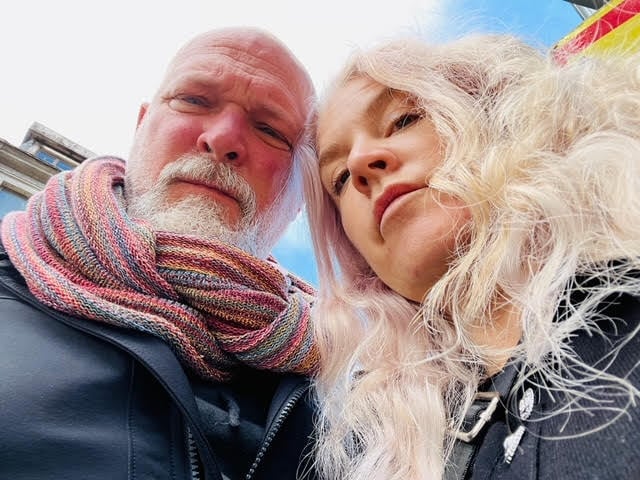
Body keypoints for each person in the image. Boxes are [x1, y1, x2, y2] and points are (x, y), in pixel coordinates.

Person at [305, 33, 640, 480]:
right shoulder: (388, 450)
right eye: (340, 178)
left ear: (496, 115)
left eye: (403, 120)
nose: (362, 162)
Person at [0, 27, 319, 480]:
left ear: (302, 196)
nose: (222, 138)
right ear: (141, 125)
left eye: (270, 129)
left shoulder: (356, 386)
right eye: (194, 100)